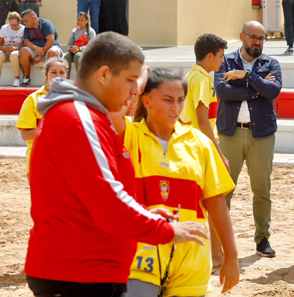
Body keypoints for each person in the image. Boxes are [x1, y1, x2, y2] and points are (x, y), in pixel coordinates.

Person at [25, 32, 209, 297]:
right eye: (131, 80)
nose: (136, 89)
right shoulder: (79, 119)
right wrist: (166, 230)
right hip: (77, 274)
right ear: (103, 75)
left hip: (87, 270)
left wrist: (146, 213)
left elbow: (97, 197)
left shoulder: (86, 116)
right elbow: (108, 203)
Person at [109, 68, 239, 297]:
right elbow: (110, 111)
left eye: (180, 100)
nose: (175, 107)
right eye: (167, 100)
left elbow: (216, 203)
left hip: (190, 261)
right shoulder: (129, 135)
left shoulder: (200, 143)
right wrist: (138, 85)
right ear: (146, 101)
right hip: (138, 259)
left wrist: (231, 256)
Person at [215, 21, 282, 257]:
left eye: (262, 38)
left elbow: (273, 92)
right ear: (242, 36)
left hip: (261, 134)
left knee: (262, 189)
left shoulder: (271, 63)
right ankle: (218, 241)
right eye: (254, 37)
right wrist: (255, 88)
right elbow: (222, 91)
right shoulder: (225, 61)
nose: (258, 42)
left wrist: (246, 76)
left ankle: (262, 239)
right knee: (224, 189)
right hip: (230, 133)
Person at [181, 33, 230, 268]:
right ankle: (217, 256)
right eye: (220, 56)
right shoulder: (201, 79)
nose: (223, 60)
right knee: (212, 201)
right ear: (209, 56)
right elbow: (203, 120)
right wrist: (218, 153)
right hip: (199, 147)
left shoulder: (192, 74)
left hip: (191, 145)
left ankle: (214, 255)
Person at [16, 57, 68, 183]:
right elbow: (25, 135)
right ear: (46, 74)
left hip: (67, 161)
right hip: (40, 160)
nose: (58, 75)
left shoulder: (75, 100)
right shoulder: (32, 100)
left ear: (67, 75)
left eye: (62, 72)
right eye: (53, 72)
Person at [19, 9, 63, 87]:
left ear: (33, 17)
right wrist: (36, 48)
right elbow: (26, 42)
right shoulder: (27, 28)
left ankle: (51, 80)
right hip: (36, 49)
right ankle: (26, 78)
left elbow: (51, 40)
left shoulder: (46, 24)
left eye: (26, 21)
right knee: (23, 51)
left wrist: (40, 55)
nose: (24, 23)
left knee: (53, 52)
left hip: (50, 47)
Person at [63, 12, 96, 78]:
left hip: (85, 53)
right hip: (74, 52)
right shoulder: (74, 31)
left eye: (82, 20)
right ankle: (66, 78)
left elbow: (92, 46)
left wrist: (79, 49)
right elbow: (69, 44)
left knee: (77, 56)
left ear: (87, 20)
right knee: (66, 56)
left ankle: (80, 79)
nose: (80, 22)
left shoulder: (91, 31)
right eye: (79, 20)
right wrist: (71, 48)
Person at [0, 11, 24, 86]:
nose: (13, 27)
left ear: (20, 21)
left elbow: (26, 45)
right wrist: (4, 49)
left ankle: (17, 79)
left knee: (13, 55)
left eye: (15, 25)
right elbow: (0, 43)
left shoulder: (24, 29)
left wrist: (16, 49)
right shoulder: (4, 28)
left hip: (18, 50)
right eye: (11, 25)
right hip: (6, 50)